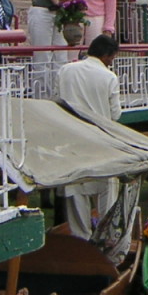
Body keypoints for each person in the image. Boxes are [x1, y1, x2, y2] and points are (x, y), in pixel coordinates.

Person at [57, 34, 122, 241]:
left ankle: (80, 239)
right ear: (106, 55)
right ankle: (107, 235)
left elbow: (59, 100)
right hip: (100, 139)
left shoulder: (66, 71)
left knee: (75, 189)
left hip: (72, 138)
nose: (111, 62)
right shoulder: (109, 77)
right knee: (108, 187)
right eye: (112, 58)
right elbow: (115, 114)